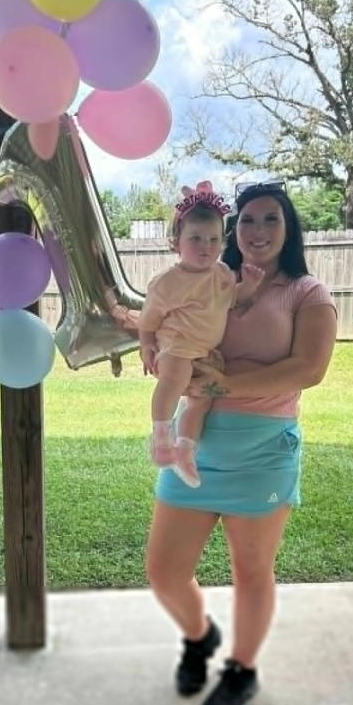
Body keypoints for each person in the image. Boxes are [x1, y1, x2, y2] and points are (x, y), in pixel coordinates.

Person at [144, 181, 338, 705]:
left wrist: (222, 387)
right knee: (163, 571)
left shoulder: (307, 293)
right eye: (248, 220)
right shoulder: (214, 281)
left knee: (251, 570)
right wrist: (134, 338)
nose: (257, 231)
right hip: (196, 441)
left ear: (288, 227)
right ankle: (200, 636)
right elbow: (167, 322)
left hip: (263, 450)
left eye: (270, 219)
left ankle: (242, 668)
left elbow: (308, 370)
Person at [137, 181, 265, 488]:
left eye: (213, 239)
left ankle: (185, 449)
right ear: (176, 242)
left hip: (207, 353)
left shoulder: (222, 275)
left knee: (202, 400)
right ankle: (161, 437)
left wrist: (248, 286)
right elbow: (148, 320)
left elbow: (233, 301)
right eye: (195, 238)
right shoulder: (168, 282)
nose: (205, 246)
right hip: (177, 347)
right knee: (174, 380)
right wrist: (146, 346)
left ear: (222, 243)